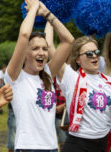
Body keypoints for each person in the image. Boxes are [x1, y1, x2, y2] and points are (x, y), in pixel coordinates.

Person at [4, 0, 74, 151]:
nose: (41, 52)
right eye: (35, 48)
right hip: (27, 148)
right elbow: (23, 35)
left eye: (44, 48)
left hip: (51, 148)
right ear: (25, 53)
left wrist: (47, 13)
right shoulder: (15, 76)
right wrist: (34, 8)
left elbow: (68, 41)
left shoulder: (48, 74)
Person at [56, 36, 111, 152]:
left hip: (103, 143)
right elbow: (53, 50)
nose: (95, 55)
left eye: (96, 52)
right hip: (78, 144)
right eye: (89, 54)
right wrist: (50, 18)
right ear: (78, 60)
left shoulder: (109, 81)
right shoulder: (72, 77)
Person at [44, 21, 68, 151]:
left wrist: (63, 106)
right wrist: (49, 19)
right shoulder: (47, 72)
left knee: (65, 143)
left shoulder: (69, 73)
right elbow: (49, 45)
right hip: (51, 113)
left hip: (65, 114)